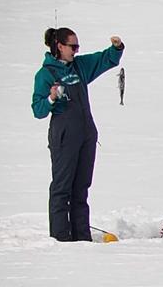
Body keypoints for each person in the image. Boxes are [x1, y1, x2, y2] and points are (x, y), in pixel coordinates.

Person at [31, 27, 125, 242]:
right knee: (62, 188)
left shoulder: (79, 67)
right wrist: (51, 99)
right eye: (72, 46)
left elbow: (103, 60)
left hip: (86, 134)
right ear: (59, 46)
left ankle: (82, 237)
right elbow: (38, 110)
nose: (76, 50)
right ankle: (61, 238)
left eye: (77, 46)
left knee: (81, 187)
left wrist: (116, 48)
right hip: (64, 136)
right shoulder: (45, 74)